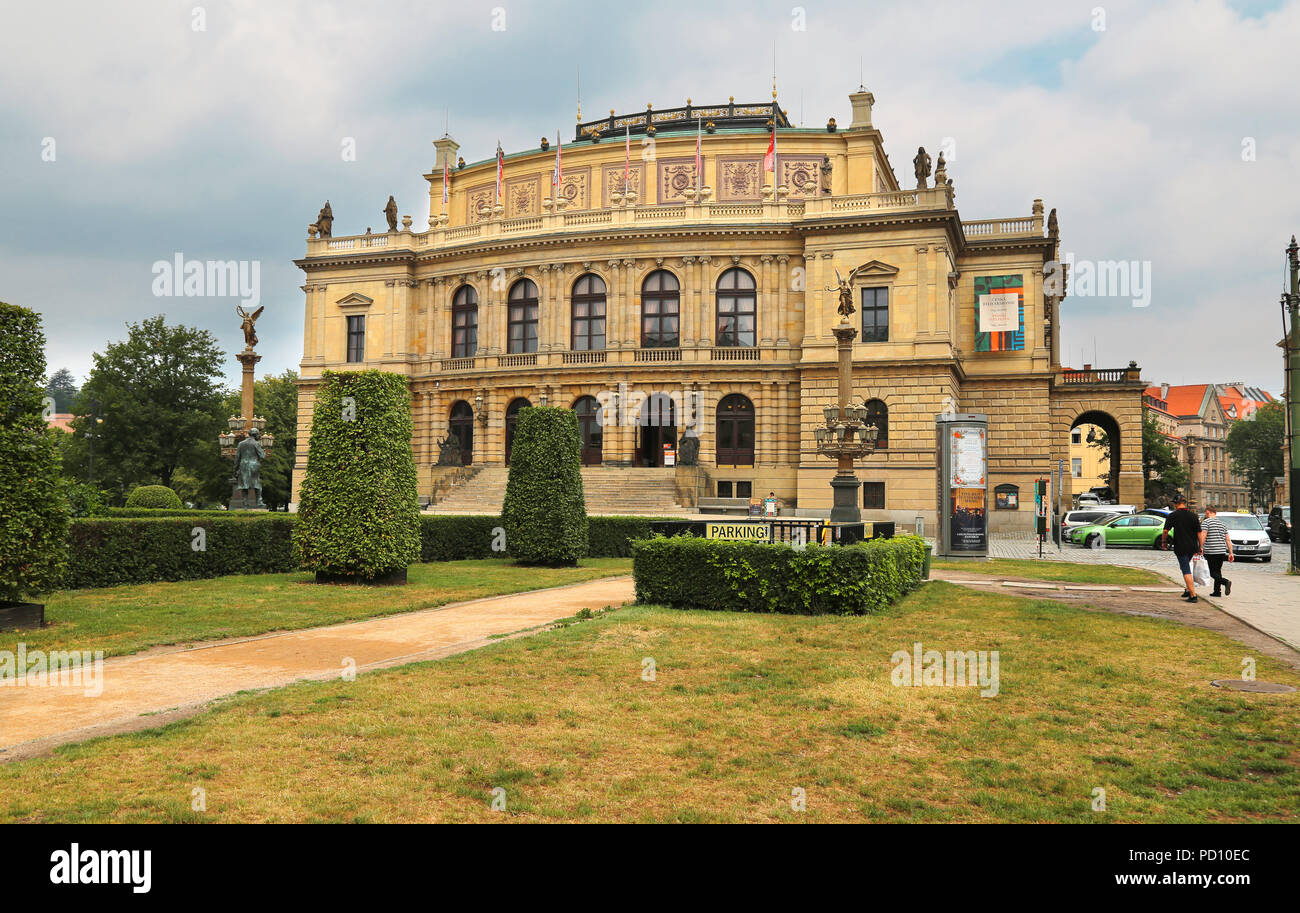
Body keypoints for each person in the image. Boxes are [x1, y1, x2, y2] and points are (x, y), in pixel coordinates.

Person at [1161, 496, 1204, 602]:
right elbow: (1199, 532)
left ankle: (1193, 595)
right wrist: (1201, 546)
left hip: (1181, 546)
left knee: (1185, 570)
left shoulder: (1173, 515)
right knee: (1186, 567)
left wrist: (1164, 542)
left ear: (1176, 504)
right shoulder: (1194, 516)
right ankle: (1188, 590)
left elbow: (1166, 531)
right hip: (1193, 546)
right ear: (1185, 503)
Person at [1201, 505, 1233, 597]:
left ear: (1207, 512)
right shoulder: (1222, 524)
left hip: (1211, 551)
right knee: (1217, 571)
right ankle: (1217, 592)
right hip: (1221, 551)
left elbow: (1203, 536)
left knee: (1212, 572)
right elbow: (1227, 540)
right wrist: (1231, 553)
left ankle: (1225, 582)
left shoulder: (1206, 523)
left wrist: (1200, 547)